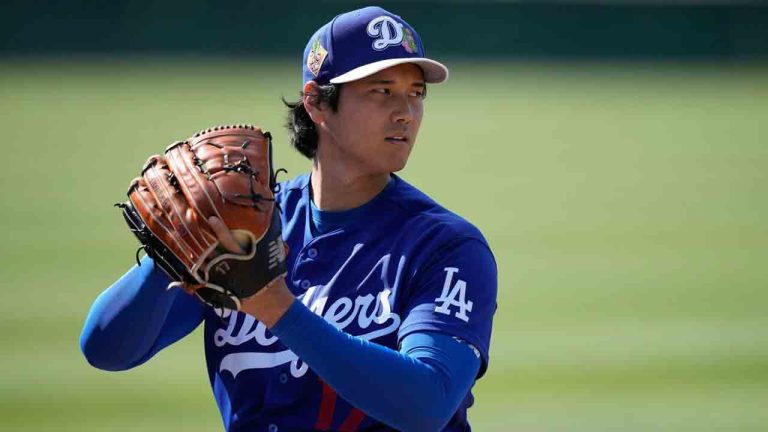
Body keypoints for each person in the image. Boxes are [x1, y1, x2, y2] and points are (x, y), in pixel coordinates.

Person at [80, 6, 497, 432]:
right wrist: (171, 250)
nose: (406, 111)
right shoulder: (243, 226)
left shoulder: (446, 247)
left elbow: (427, 403)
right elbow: (106, 350)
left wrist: (275, 307)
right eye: (382, 91)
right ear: (317, 102)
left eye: (416, 93)